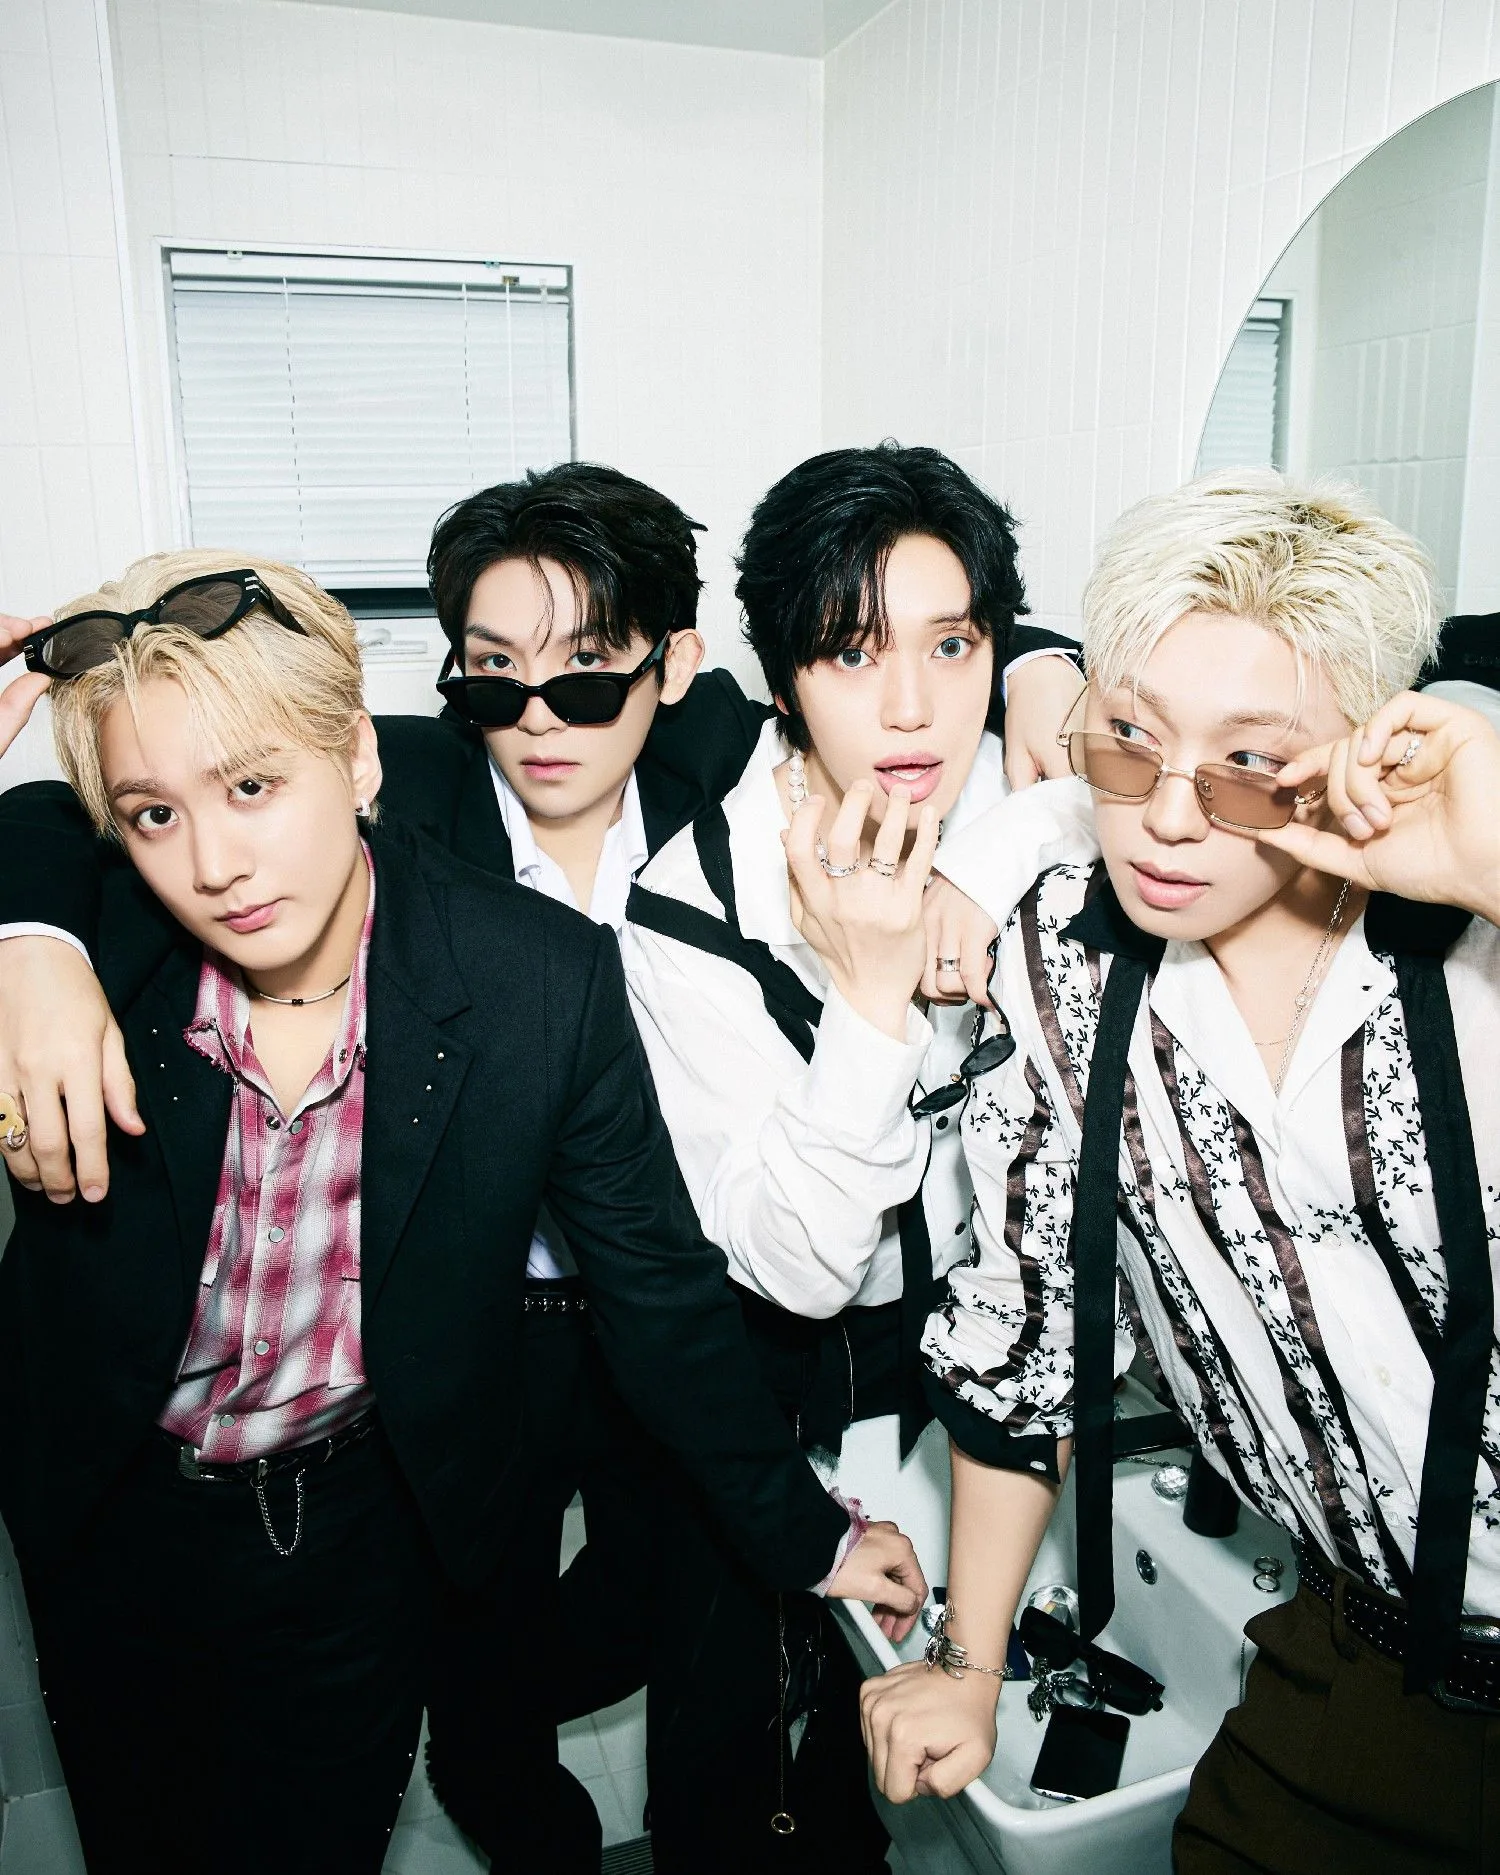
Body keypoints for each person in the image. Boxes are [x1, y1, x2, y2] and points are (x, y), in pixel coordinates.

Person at [0, 463, 1080, 1864]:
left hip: (613, 1326)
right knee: (449, 1694)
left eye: (584, 678)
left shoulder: (691, 801)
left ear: (671, 671)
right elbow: (81, 810)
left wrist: (1041, 672)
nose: (538, 718)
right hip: (396, 1369)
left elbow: (919, 675)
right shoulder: (360, 804)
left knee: (632, 1629)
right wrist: (30, 945)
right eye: (494, 676)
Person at [859, 470, 1500, 1874]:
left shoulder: (1473, 957)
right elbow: (1027, 1326)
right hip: (1365, 1653)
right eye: (1134, 740)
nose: (1165, 815)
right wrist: (968, 1664)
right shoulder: (1068, 968)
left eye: (1250, 762)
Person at [618, 441, 1099, 1872]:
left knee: (935, 1754)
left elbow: (1119, 779)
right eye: (849, 654)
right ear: (780, 679)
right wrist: (876, 1001)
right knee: (751, 1776)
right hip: (780, 1383)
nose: (910, 708)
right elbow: (799, 1265)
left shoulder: (1030, 806)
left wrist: (995, 837)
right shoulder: (691, 906)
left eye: (952, 647)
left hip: (983, 1365)